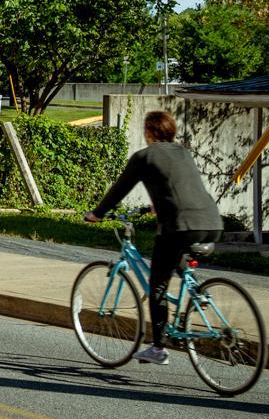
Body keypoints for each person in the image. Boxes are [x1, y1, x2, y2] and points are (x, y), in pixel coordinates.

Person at [85, 109, 224, 364]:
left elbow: (120, 188)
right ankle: (198, 294)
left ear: (149, 132)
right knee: (175, 258)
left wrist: (98, 212)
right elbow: (180, 186)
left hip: (180, 225)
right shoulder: (183, 152)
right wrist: (157, 205)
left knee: (157, 286)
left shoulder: (143, 157)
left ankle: (158, 349)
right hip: (212, 222)